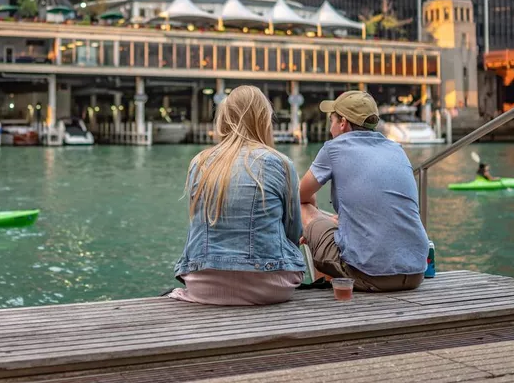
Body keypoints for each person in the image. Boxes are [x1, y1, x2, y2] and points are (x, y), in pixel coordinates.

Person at [171, 85, 305, 306]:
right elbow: (293, 233)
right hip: (270, 285)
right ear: (264, 120)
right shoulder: (281, 163)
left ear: (224, 118)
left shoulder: (200, 162)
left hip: (203, 284)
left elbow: (197, 224)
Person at [299, 90, 429, 292]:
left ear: (343, 123)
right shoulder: (396, 149)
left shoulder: (334, 148)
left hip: (369, 276)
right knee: (332, 225)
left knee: (304, 209)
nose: (330, 128)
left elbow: (300, 196)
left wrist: (316, 219)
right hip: (415, 274)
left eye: (331, 121)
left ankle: (328, 285)